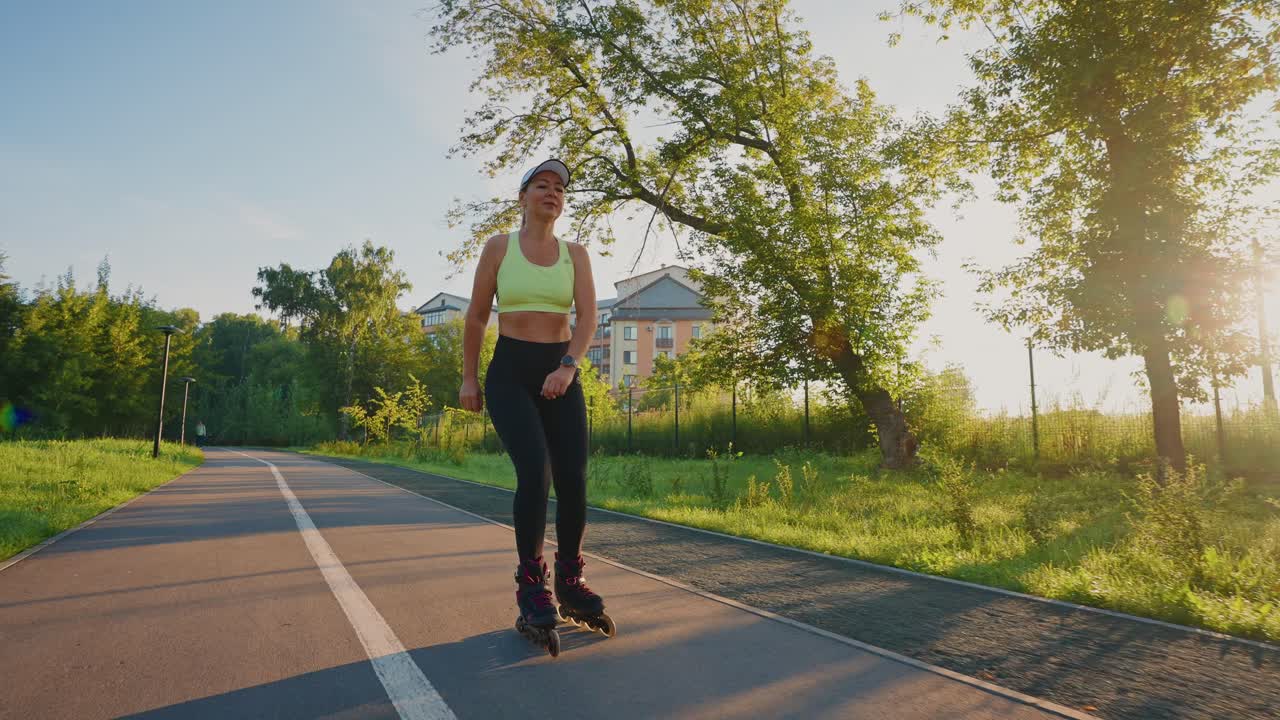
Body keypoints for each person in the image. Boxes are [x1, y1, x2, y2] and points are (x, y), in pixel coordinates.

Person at [459, 158, 610, 642]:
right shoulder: (499, 247)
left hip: (560, 370)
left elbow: (587, 319)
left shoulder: (577, 255)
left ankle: (570, 579)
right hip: (510, 373)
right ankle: (531, 587)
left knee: (574, 477)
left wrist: (568, 367)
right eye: (542, 185)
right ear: (523, 197)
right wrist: (468, 379)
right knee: (536, 470)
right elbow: (477, 317)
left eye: (560, 189)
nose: (553, 193)